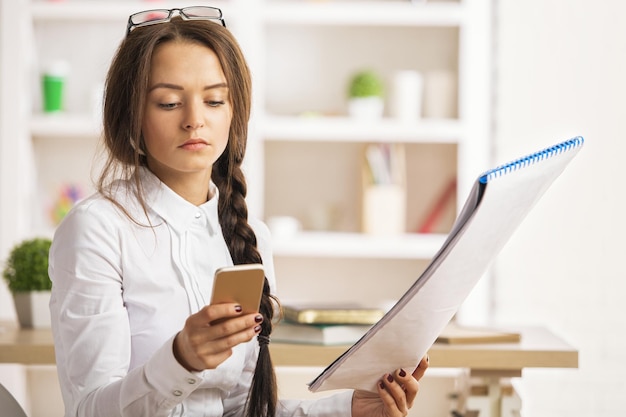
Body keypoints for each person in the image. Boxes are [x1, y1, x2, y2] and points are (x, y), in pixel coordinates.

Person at [49, 7, 428, 417]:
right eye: (169, 102)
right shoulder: (97, 229)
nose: (195, 120)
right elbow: (89, 409)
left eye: (214, 100)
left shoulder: (249, 236)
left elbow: (242, 411)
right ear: (131, 117)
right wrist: (179, 360)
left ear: (234, 112)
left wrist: (353, 409)